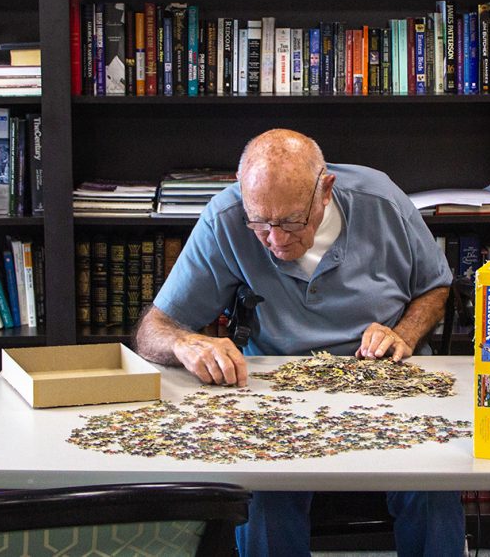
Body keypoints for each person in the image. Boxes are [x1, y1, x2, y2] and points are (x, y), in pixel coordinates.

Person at [135, 129, 465, 557]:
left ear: (325, 190)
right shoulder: (226, 216)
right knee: (265, 496)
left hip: (387, 385)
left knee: (433, 488)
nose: (275, 240)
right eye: (260, 224)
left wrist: (402, 335)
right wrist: (185, 343)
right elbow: (152, 329)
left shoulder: (382, 201)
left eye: (291, 221)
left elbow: (435, 287)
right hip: (274, 396)